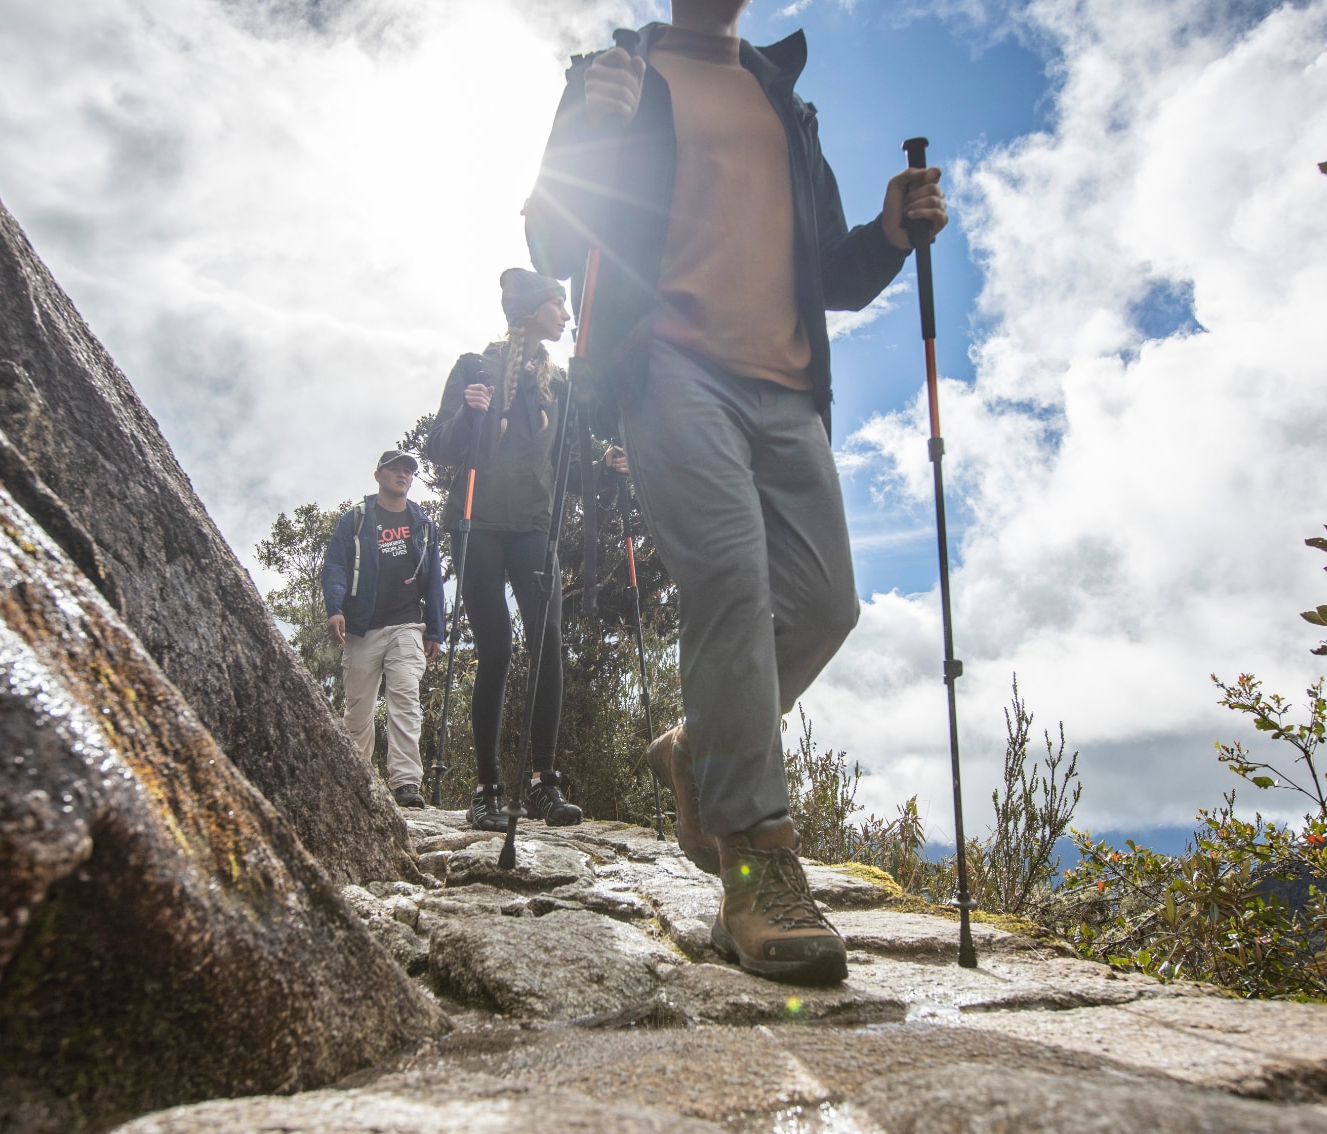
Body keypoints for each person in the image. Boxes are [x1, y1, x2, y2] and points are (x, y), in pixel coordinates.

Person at [522, 0, 948, 984]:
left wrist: (888, 229)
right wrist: (590, 129)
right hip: (669, 368)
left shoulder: (781, 101)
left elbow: (831, 274)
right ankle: (757, 862)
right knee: (729, 579)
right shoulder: (613, 76)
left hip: (789, 387)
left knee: (824, 604)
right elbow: (552, 238)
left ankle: (696, 749)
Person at [426, 268, 584, 831]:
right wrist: (469, 412)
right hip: (477, 523)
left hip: (534, 527)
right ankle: (487, 789)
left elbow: (571, 464)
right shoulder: (475, 366)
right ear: (533, 308)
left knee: (547, 644)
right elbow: (439, 447)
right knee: (496, 651)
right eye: (559, 304)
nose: (566, 315)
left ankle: (545, 783)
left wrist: (608, 469)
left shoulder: (560, 384)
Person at [322, 451, 447, 808]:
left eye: (408, 470)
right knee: (358, 711)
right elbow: (334, 566)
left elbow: (434, 580)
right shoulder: (356, 520)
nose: (403, 475)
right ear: (378, 475)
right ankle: (356, 781)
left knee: (405, 700)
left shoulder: (422, 525)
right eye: (395, 469)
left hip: (407, 625)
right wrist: (335, 609)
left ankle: (406, 784)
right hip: (362, 627)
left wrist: (435, 630)